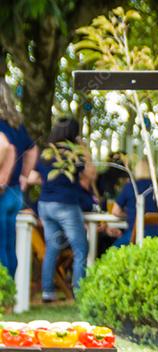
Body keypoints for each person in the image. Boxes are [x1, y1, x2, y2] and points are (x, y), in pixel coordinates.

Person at [36, 117, 96, 300]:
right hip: (66, 205)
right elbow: (91, 175)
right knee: (80, 249)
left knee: (52, 248)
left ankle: (47, 292)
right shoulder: (73, 155)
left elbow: (37, 176)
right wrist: (84, 150)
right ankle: (79, 292)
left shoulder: (47, 153)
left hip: (45, 204)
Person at [0, 82, 38, 279]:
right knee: (8, 243)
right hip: (15, 192)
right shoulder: (16, 124)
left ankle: (2, 292)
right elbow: (32, 150)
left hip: (2, 190)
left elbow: (5, 147)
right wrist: (24, 174)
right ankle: (8, 291)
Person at [109, 157, 158, 247]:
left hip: (134, 234)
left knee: (110, 252)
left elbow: (115, 211)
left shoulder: (131, 186)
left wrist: (129, 214)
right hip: (157, 236)